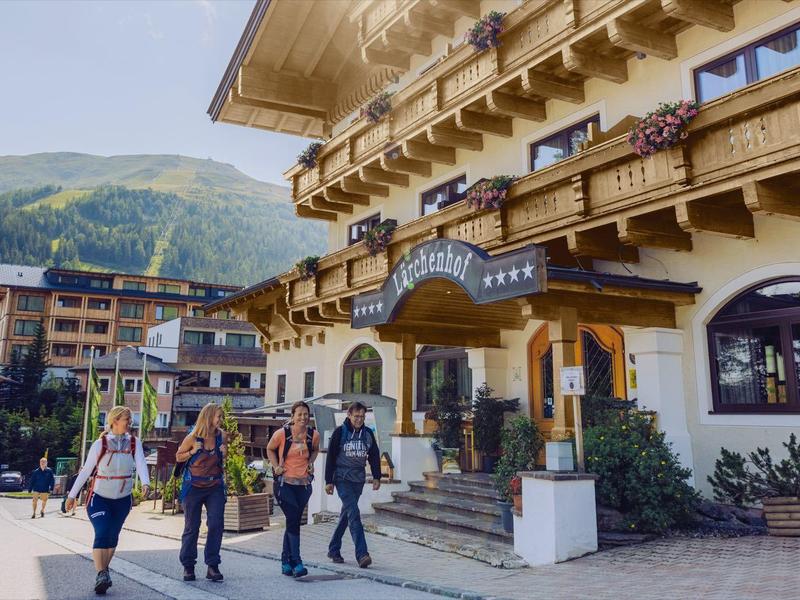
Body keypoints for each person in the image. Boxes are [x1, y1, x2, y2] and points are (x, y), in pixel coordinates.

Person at [65, 406, 149, 595]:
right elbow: (86, 470)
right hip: (100, 497)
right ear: (115, 421)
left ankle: (103, 573)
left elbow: (141, 463)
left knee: (112, 536)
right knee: (102, 531)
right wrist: (72, 495)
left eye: (130, 419)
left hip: (123, 498)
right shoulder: (100, 443)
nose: (130, 422)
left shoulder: (134, 442)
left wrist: (146, 483)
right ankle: (101, 572)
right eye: (126, 419)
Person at [324, 402, 382, 568]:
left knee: (347, 515)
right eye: (356, 416)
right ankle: (362, 554)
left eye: (362, 416)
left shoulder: (368, 433)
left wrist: (377, 477)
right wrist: (329, 481)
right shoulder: (339, 433)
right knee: (354, 513)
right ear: (349, 415)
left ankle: (333, 549)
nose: (359, 419)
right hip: (342, 478)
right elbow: (331, 457)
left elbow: (374, 455)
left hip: (358, 479)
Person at [266, 400, 319, 578]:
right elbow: (270, 449)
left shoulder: (313, 435)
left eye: (306, 414)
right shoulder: (282, 434)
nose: (303, 417)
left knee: (292, 520)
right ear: (293, 416)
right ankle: (296, 561)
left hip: (303, 485)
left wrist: (311, 462)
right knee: (294, 518)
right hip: (284, 484)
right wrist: (276, 466)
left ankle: (285, 562)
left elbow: (315, 450)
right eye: (299, 414)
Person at [176, 403, 226, 583]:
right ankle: (188, 566)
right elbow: (178, 456)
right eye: (218, 416)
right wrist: (192, 451)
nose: (220, 420)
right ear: (208, 417)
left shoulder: (221, 436)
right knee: (192, 526)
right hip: (193, 487)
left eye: (221, 417)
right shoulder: (193, 437)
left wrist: (224, 453)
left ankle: (212, 566)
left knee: (216, 524)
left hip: (215, 486)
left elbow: (221, 461)